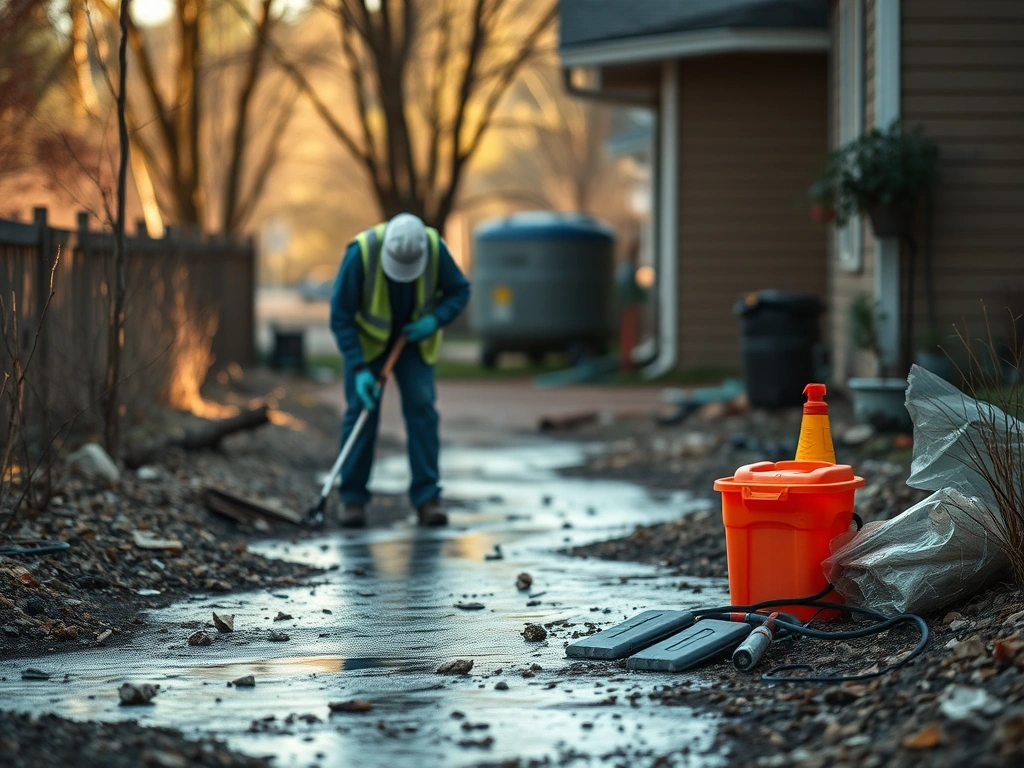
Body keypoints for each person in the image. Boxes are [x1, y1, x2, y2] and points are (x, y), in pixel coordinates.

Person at [329, 213, 470, 528]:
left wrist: (435, 320)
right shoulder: (361, 254)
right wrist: (359, 367)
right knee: (361, 412)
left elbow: (459, 291)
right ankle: (351, 500)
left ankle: (428, 498)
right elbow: (340, 316)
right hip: (367, 346)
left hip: (413, 341)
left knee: (422, 409)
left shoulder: (434, 248)